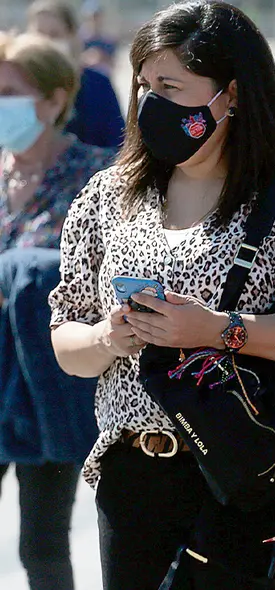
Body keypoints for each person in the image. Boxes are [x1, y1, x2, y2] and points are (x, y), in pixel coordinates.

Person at [47, 3, 275, 588]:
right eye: (144, 85)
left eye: (171, 87)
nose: (151, 103)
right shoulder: (108, 194)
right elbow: (67, 343)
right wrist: (107, 338)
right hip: (131, 475)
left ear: (232, 94)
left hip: (240, 473)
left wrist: (218, 329)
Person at [0, 32, 114, 590]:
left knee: (41, 545)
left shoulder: (96, 176)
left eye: (8, 93)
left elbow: (106, 276)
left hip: (50, 386)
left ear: (53, 99)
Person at [27, 0, 124, 148]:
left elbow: (118, 143)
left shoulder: (97, 84)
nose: (46, 42)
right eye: (39, 34)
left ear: (71, 36)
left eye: (55, 34)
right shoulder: (18, 86)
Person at [79, 1, 118, 77]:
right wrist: (87, 57)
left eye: (97, 17)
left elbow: (112, 64)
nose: (94, 20)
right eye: (92, 17)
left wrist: (102, 57)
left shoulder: (108, 41)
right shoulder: (79, 40)